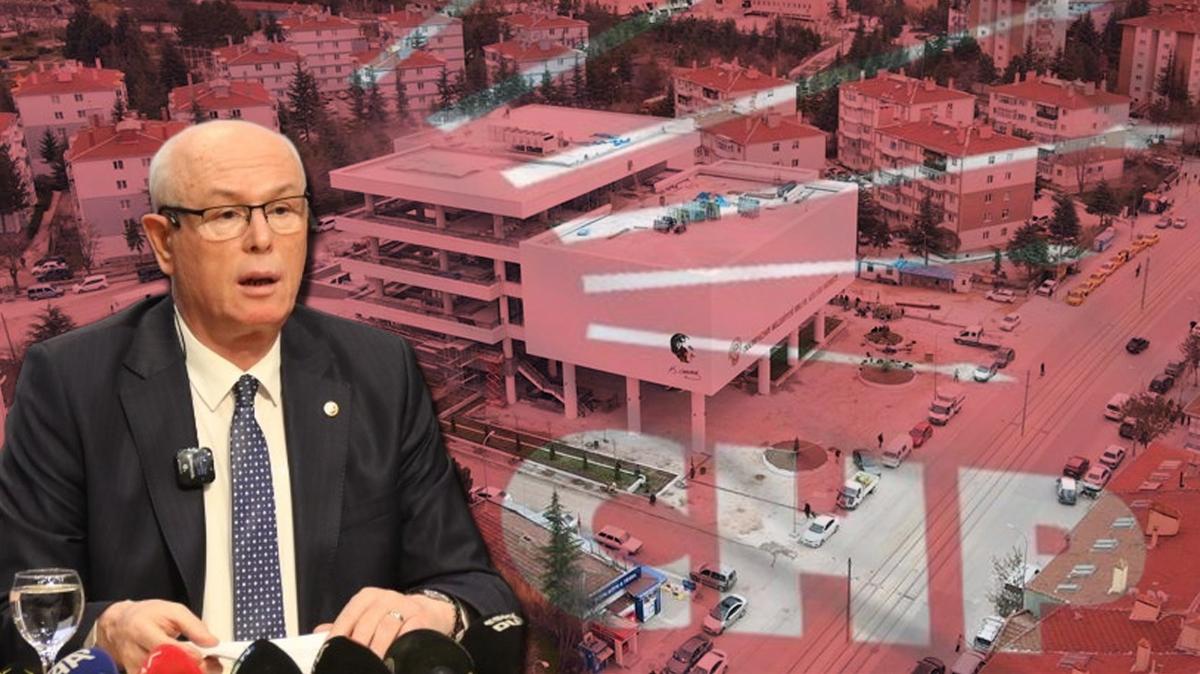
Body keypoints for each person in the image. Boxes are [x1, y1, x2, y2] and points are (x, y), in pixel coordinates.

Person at [0, 121, 518, 673]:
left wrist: (431, 611)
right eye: (226, 215)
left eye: (283, 210)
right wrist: (103, 629)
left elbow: (473, 586)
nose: (262, 239)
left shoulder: (380, 371)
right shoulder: (71, 384)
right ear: (164, 242)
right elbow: (12, 612)